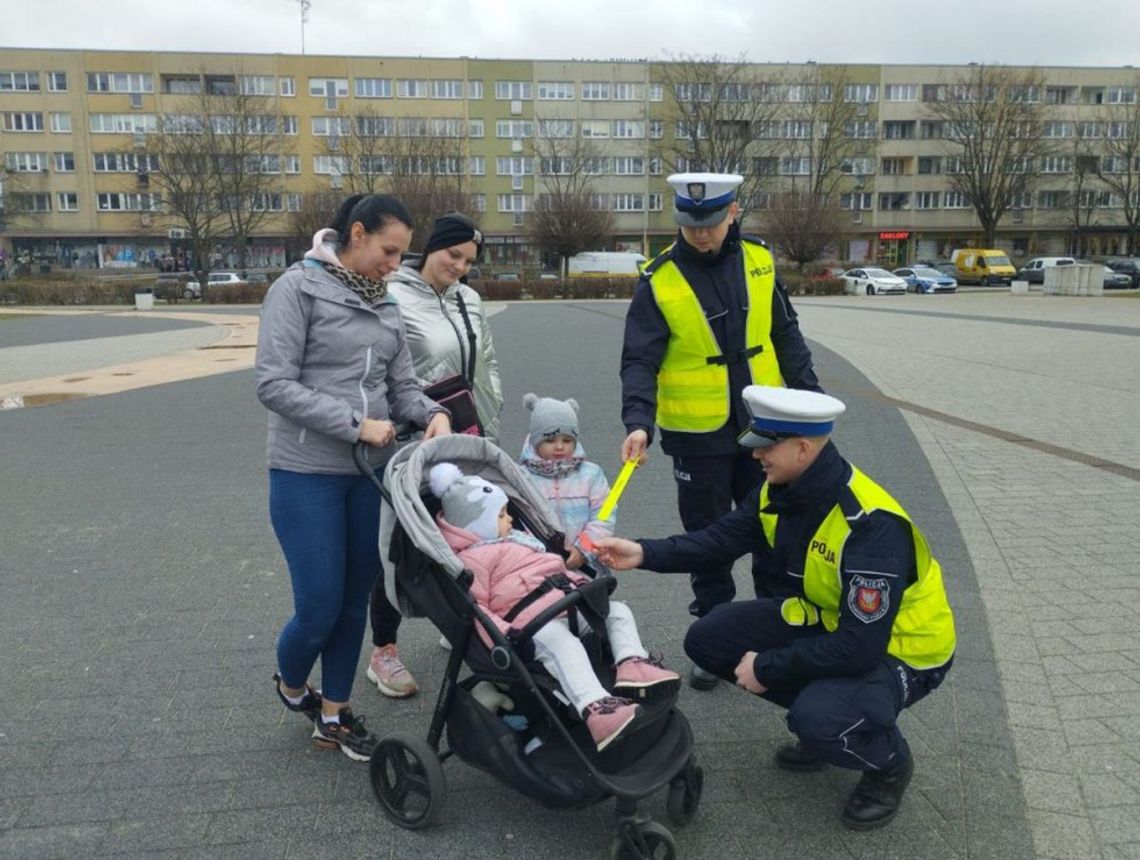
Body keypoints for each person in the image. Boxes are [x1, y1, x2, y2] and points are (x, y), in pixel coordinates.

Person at [594, 385, 956, 829]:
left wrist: (768, 666)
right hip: (836, 626)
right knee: (709, 638)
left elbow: (862, 646)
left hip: (906, 651)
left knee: (819, 717)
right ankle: (831, 718)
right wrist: (643, 553)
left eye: (766, 446)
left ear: (803, 449)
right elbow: (719, 539)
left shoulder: (870, 527)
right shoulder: (779, 490)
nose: (754, 456)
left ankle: (886, 761)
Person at [255, 193, 452, 762]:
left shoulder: (385, 302)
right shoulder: (296, 289)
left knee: (353, 604)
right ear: (357, 234)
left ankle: (335, 715)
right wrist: (355, 424)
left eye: (402, 255)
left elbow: (402, 387)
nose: (395, 264)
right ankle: (293, 687)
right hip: (304, 473)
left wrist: (431, 413)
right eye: (389, 251)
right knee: (318, 605)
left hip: (368, 475)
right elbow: (272, 384)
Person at [619, 172, 822, 690]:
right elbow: (638, 360)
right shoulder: (659, 278)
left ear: (732, 212)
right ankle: (714, 638)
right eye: (690, 225)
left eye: (710, 223)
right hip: (697, 438)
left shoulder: (758, 261)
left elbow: (786, 334)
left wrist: (812, 404)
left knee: (775, 532)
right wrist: (638, 423)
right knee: (708, 541)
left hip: (764, 428)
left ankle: (775, 633)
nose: (701, 234)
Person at [428, 462, 680, 751]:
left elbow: (555, 569)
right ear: (476, 524)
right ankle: (597, 708)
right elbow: (477, 609)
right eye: (501, 515)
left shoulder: (519, 541)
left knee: (617, 611)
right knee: (562, 644)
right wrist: (503, 636)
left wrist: (584, 587)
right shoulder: (471, 562)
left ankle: (633, 665)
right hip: (531, 626)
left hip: (567, 602)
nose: (510, 519)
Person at [366, 212, 504, 676]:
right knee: (397, 546)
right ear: (432, 248)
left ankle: (454, 622)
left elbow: (486, 363)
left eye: (469, 260)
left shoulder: (469, 298)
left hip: (463, 438)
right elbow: (381, 373)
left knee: (460, 536)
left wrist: (489, 426)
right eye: (453, 254)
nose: (461, 266)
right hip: (409, 442)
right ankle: (383, 650)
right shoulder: (394, 296)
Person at [518, 393, 613, 577]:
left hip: (587, 569)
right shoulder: (521, 477)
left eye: (567, 440)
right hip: (537, 569)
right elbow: (518, 522)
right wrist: (537, 555)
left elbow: (605, 515)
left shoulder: (592, 474)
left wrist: (583, 550)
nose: (560, 447)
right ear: (535, 441)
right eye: (550, 440)